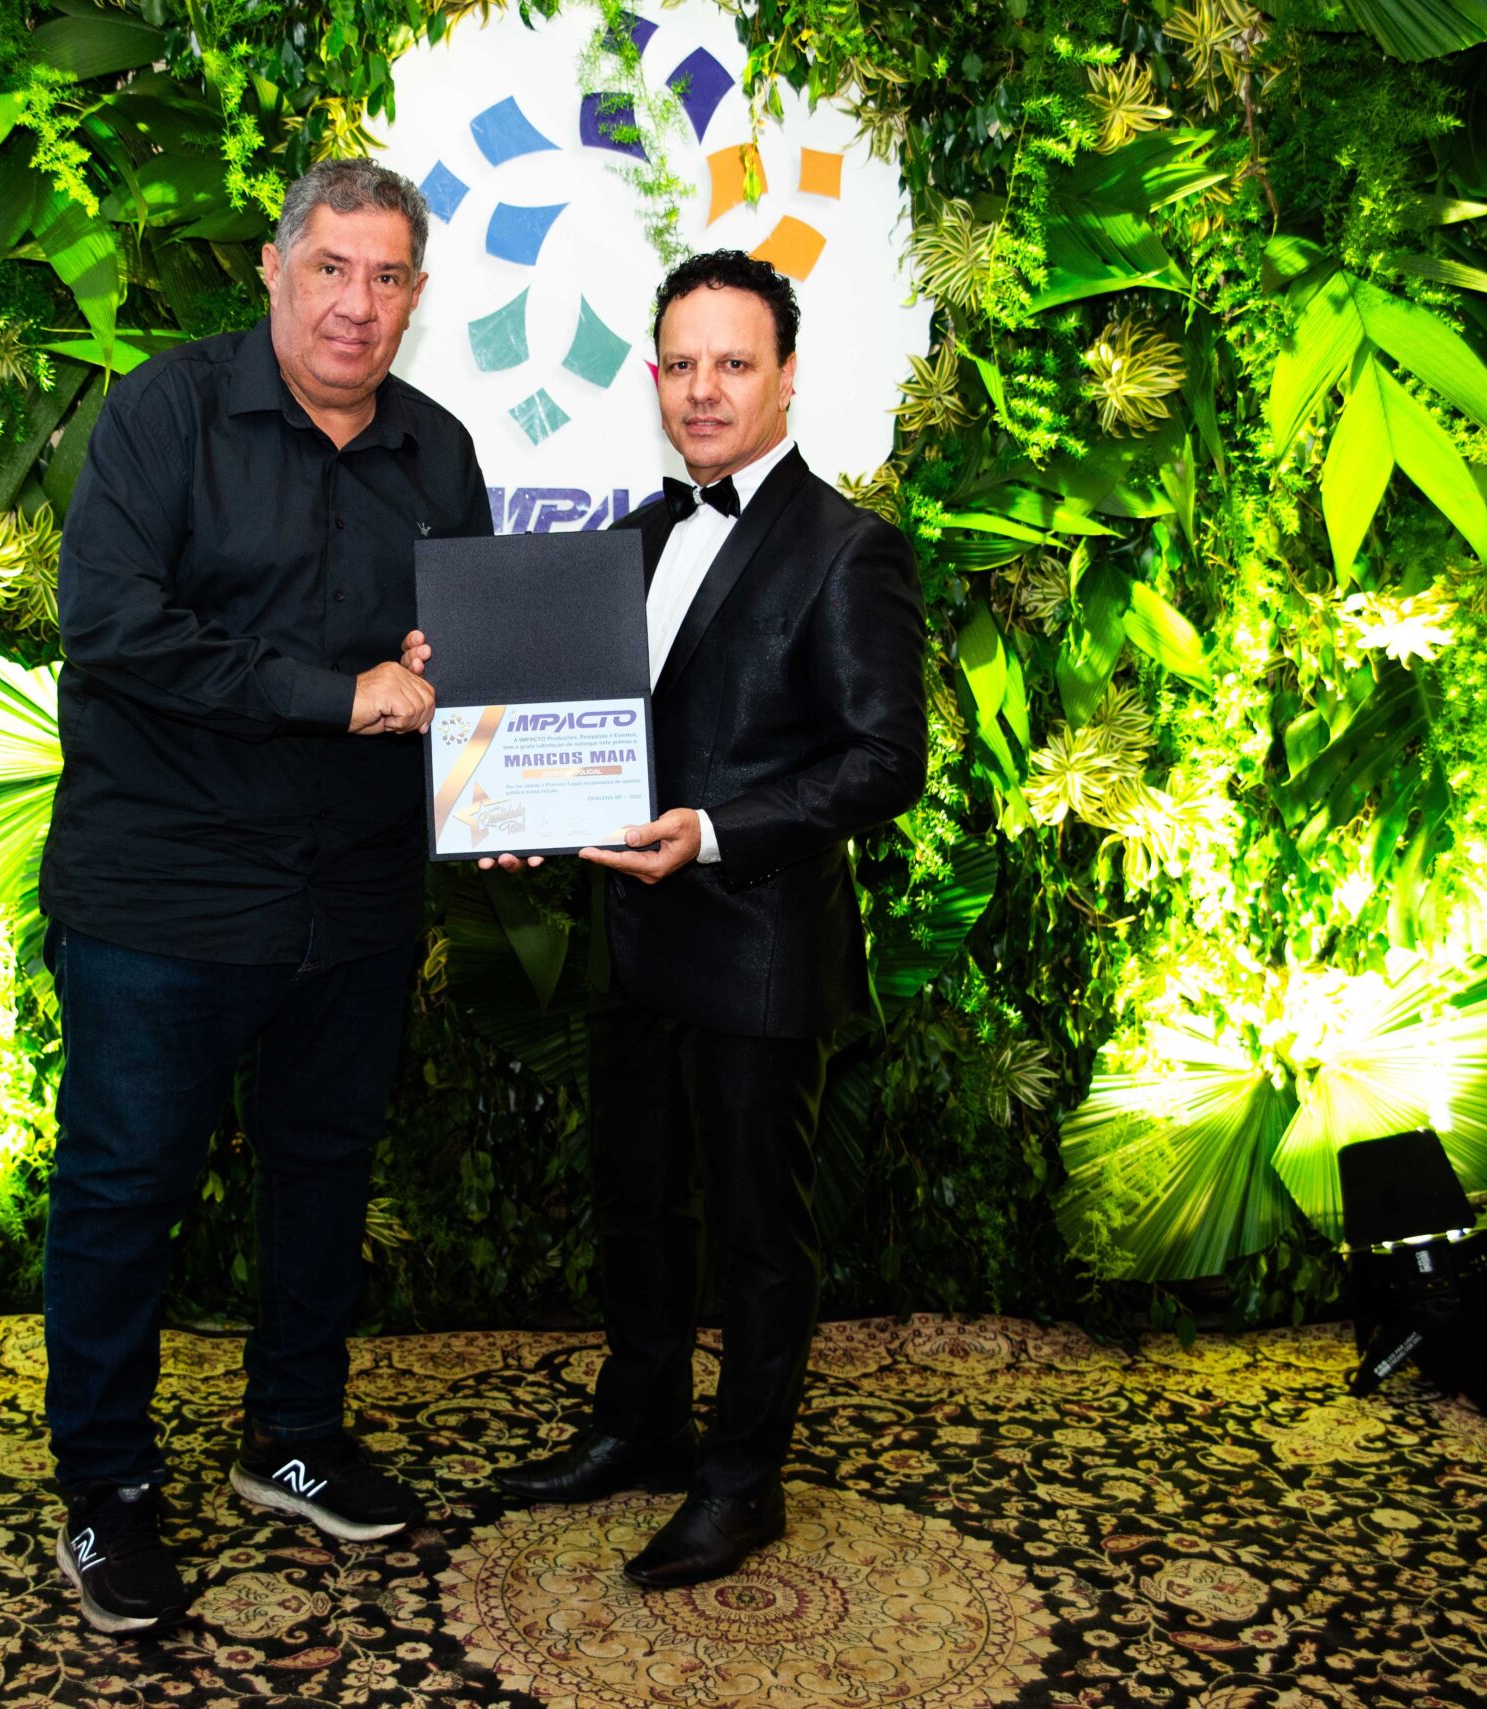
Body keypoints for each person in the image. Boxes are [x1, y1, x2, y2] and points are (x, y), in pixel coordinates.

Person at [413, 250, 926, 1586]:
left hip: (759, 950)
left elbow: (886, 761)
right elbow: (576, 734)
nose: (704, 390)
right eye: (683, 364)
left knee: (758, 1233)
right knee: (636, 1206)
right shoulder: (630, 541)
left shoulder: (850, 550)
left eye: (734, 363)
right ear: (653, 376)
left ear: (786, 376)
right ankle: (640, 1424)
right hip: (632, 944)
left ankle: (742, 1480)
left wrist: (718, 828)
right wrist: (512, 809)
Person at [37, 158, 492, 1635]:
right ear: (275, 268)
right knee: (124, 1190)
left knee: (323, 1172)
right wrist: (332, 692)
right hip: (164, 888)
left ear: (415, 296)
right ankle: (106, 1488)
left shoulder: (439, 451)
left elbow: (470, 663)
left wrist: (507, 776)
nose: (357, 304)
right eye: (331, 269)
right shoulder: (164, 414)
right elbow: (114, 625)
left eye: (388, 277)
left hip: (352, 894)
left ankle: (291, 1436)